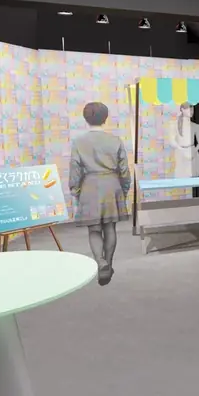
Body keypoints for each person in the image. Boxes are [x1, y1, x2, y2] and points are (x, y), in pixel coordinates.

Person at [69, 102, 131, 286]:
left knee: (94, 229)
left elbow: (75, 168)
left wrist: (75, 189)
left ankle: (100, 262)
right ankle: (108, 264)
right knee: (110, 227)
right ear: (105, 118)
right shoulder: (115, 140)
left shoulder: (78, 142)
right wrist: (124, 189)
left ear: (86, 118)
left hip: (90, 186)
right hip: (112, 185)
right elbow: (124, 170)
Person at [168, 102, 199, 178]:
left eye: (192, 109)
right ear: (182, 109)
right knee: (180, 178)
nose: (191, 111)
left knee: (194, 179)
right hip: (180, 155)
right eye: (188, 108)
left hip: (194, 155)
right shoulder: (174, 124)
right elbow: (171, 141)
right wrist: (182, 150)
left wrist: (193, 151)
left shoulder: (196, 126)